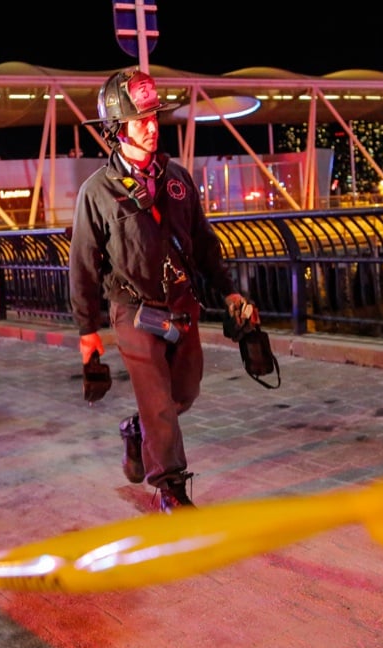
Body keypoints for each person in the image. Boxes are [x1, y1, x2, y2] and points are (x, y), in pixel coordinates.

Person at [68, 68, 257, 513]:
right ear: (117, 130)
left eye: (153, 117)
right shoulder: (97, 192)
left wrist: (229, 292)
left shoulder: (177, 178)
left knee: (183, 393)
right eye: (140, 121)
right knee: (157, 399)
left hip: (182, 304)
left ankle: (138, 429)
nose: (152, 127)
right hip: (132, 310)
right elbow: (83, 264)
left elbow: (204, 242)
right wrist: (87, 330)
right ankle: (171, 486)